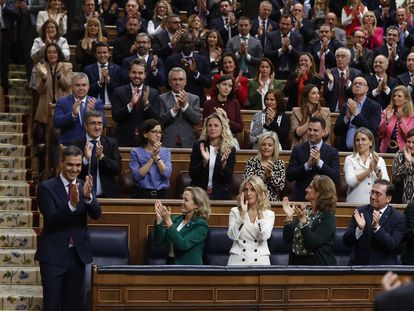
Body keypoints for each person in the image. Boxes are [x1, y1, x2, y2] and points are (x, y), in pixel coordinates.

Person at [35, 145, 101, 311]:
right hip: (53, 256)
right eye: (70, 164)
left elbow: (96, 214)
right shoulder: (46, 187)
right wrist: (71, 205)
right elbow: (50, 220)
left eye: (78, 165)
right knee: (52, 304)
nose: (74, 169)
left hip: (77, 256)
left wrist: (87, 197)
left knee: (72, 305)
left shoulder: (83, 184)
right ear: (61, 163)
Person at [343, 179, 406, 265]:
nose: (372, 196)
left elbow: (393, 246)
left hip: (384, 269)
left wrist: (377, 228)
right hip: (359, 267)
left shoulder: (398, 218)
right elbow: (346, 242)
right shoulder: (360, 212)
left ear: (388, 198)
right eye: (372, 192)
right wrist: (359, 230)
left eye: (378, 194)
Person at [282, 175, 337, 265]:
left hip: (318, 269)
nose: (306, 189)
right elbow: (287, 239)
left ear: (320, 193)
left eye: (310, 187)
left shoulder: (328, 217)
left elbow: (312, 243)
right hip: (296, 265)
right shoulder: (305, 211)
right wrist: (289, 217)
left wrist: (303, 222)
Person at [286, 116, 340, 201]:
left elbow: (335, 177)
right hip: (301, 199)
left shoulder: (332, 152)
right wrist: (307, 165)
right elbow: (289, 175)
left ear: (324, 132)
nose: (311, 133)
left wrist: (319, 163)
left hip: (323, 200)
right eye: (309, 129)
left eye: (315, 130)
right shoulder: (298, 149)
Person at [153, 186, 211, 265]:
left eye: (186, 200)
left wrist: (168, 220)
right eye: (182, 199)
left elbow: (183, 245)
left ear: (196, 205)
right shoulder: (177, 219)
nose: (181, 202)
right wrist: (159, 219)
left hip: (188, 269)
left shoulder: (201, 225)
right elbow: (158, 241)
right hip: (171, 263)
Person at [71, 110, 121, 198]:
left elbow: (117, 170)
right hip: (82, 195)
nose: (97, 127)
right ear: (86, 126)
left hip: (106, 196)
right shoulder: (76, 144)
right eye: (93, 123)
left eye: (99, 123)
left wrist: (103, 157)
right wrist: (86, 159)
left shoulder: (111, 143)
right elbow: (72, 172)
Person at [227, 175, 275, 265]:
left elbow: (264, 236)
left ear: (260, 193)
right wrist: (242, 213)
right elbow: (232, 236)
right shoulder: (235, 211)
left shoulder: (269, 214)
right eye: (245, 189)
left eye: (253, 189)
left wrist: (260, 212)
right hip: (238, 262)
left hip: (260, 262)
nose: (248, 193)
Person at [31, 43, 72, 146]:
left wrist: (59, 75)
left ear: (58, 54)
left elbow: (66, 86)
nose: (52, 54)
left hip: (61, 109)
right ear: (46, 54)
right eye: (49, 52)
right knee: (44, 143)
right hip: (44, 109)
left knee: (59, 141)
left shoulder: (67, 66)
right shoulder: (41, 68)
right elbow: (39, 90)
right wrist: (44, 78)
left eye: (54, 52)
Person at [111, 59, 159, 147]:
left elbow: (156, 119)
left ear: (145, 75)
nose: (137, 76)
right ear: (129, 73)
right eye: (134, 72)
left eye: (140, 73)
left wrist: (146, 104)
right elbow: (115, 117)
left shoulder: (153, 93)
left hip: (145, 140)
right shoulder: (119, 91)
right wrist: (130, 105)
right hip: (124, 139)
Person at [189, 112, 236, 200]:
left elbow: (227, 179)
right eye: (209, 125)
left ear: (223, 128)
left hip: (220, 194)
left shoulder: (229, 149)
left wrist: (223, 164)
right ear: (206, 128)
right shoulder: (199, 146)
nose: (212, 128)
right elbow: (192, 174)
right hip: (199, 193)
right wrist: (205, 162)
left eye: (216, 125)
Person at [53, 72, 105, 145]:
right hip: (69, 145)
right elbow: (56, 123)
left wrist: (91, 114)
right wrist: (72, 114)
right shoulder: (62, 101)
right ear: (72, 87)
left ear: (88, 87)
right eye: (77, 85)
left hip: (90, 144)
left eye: (84, 85)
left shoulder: (96, 102)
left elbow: (104, 124)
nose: (81, 88)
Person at [333, 76, 381, 152]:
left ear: (367, 89)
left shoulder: (374, 106)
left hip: (367, 152)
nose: (357, 85)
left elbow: (371, 129)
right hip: (346, 151)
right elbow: (336, 131)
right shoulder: (346, 105)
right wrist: (347, 117)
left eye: (360, 84)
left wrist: (356, 114)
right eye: (355, 84)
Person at [344, 127, 389, 204]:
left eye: (363, 139)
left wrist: (377, 170)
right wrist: (368, 171)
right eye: (357, 140)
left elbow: (387, 183)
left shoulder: (379, 160)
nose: (360, 143)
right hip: (354, 203)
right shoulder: (349, 159)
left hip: (375, 205)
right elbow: (350, 182)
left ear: (371, 142)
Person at [129, 119, 172, 199]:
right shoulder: (135, 152)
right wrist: (152, 158)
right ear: (145, 134)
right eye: (154, 132)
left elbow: (167, 174)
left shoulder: (166, 152)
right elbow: (136, 177)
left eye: (160, 132)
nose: (158, 135)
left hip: (161, 195)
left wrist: (157, 156)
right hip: (142, 194)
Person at [165, 31, 211, 104]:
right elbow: (167, 85)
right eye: (184, 43)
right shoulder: (171, 60)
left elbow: (208, 84)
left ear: (194, 44)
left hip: (197, 100)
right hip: (176, 101)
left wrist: (195, 73)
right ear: (180, 44)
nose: (186, 46)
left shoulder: (203, 60)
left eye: (189, 43)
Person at [159, 67, 201, 148]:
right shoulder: (162, 98)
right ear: (169, 82)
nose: (177, 82)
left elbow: (197, 120)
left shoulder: (194, 98)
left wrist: (185, 106)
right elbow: (160, 121)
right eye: (174, 79)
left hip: (189, 142)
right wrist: (174, 110)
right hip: (168, 142)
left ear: (185, 82)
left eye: (181, 79)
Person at [203, 74, 243, 149]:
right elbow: (205, 126)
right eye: (224, 84)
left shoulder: (235, 103)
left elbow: (240, 127)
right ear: (218, 85)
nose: (227, 88)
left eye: (230, 86)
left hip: (230, 139)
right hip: (212, 140)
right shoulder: (208, 104)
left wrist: (227, 120)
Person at [243, 132, 285, 202]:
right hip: (254, 201)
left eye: (270, 145)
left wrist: (271, 176)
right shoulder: (252, 162)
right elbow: (246, 182)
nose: (266, 147)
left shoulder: (279, 164)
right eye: (263, 144)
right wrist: (264, 176)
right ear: (260, 146)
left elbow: (280, 187)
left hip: (272, 202)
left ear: (275, 147)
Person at [264, 13, 304, 79]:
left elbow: (300, 56)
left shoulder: (298, 37)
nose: (284, 26)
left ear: (292, 25)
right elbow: (267, 54)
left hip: (292, 73)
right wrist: (281, 50)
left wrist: (289, 47)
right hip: (274, 72)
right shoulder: (271, 36)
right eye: (282, 24)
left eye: (287, 24)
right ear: (279, 24)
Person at [291, 84, 331, 148]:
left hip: (320, 147)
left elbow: (326, 134)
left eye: (318, 93)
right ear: (306, 96)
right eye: (313, 93)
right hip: (301, 147)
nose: (317, 96)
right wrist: (311, 121)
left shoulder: (325, 112)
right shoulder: (296, 111)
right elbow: (296, 133)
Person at [323, 47, 363, 112]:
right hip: (332, 110)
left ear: (349, 59)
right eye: (337, 57)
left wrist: (347, 82)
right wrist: (331, 83)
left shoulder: (356, 74)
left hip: (350, 111)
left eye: (343, 56)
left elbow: (356, 95)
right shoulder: (329, 73)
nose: (339, 59)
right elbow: (325, 96)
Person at [377, 86, 414, 153]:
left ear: (406, 99)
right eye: (394, 96)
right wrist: (386, 121)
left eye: (399, 96)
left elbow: (409, 137)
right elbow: (379, 134)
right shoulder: (387, 112)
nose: (395, 98)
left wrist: (401, 121)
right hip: (386, 150)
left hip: (404, 152)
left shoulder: (411, 115)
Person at [392, 128, 414, 204]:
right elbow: (395, 179)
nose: (411, 145)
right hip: (401, 201)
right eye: (408, 142)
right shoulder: (399, 155)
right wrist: (407, 163)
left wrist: (412, 161)